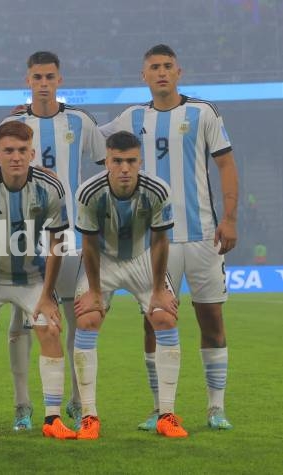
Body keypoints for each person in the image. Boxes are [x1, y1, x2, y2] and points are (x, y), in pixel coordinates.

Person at [100, 44, 238, 431]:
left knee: (211, 318)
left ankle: (215, 407)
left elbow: (225, 164)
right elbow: (86, 140)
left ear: (179, 72)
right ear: (143, 76)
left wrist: (230, 218)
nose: (161, 72)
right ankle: (161, 408)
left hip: (203, 236)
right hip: (152, 241)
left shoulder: (203, 112)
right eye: (153, 68)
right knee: (153, 321)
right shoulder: (131, 117)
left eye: (167, 66)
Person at [0, 51, 106, 430]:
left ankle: (76, 398)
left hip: (67, 235)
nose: (44, 83)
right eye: (37, 76)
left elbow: (104, 163)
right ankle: (23, 406)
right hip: (22, 237)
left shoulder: (80, 122)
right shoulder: (12, 122)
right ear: (28, 80)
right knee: (22, 322)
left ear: (59, 79)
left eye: (50, 76)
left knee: (69, 317)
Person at [0, 121, 76, 442]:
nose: (16, 157)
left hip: (32, 278)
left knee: (50, 327)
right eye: (8, 151)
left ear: (32, 153)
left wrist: (48, 296)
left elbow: (56, 245)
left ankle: (52, 418)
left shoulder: (49, 188)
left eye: (22, 151)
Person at [72, 130, 187, 439]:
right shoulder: (88, 192)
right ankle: (89, 417)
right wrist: (95, 292)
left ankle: (167, 414)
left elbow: (161, 240)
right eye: (117, 161)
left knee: (164, 317)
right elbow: (90, 245)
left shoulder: (159, 190)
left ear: (141, 161)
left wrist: (160, 290)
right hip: (103, 260)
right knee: (87, 318)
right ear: (107, 161)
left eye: (131, 161)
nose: (125, 168)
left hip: (142, 258)